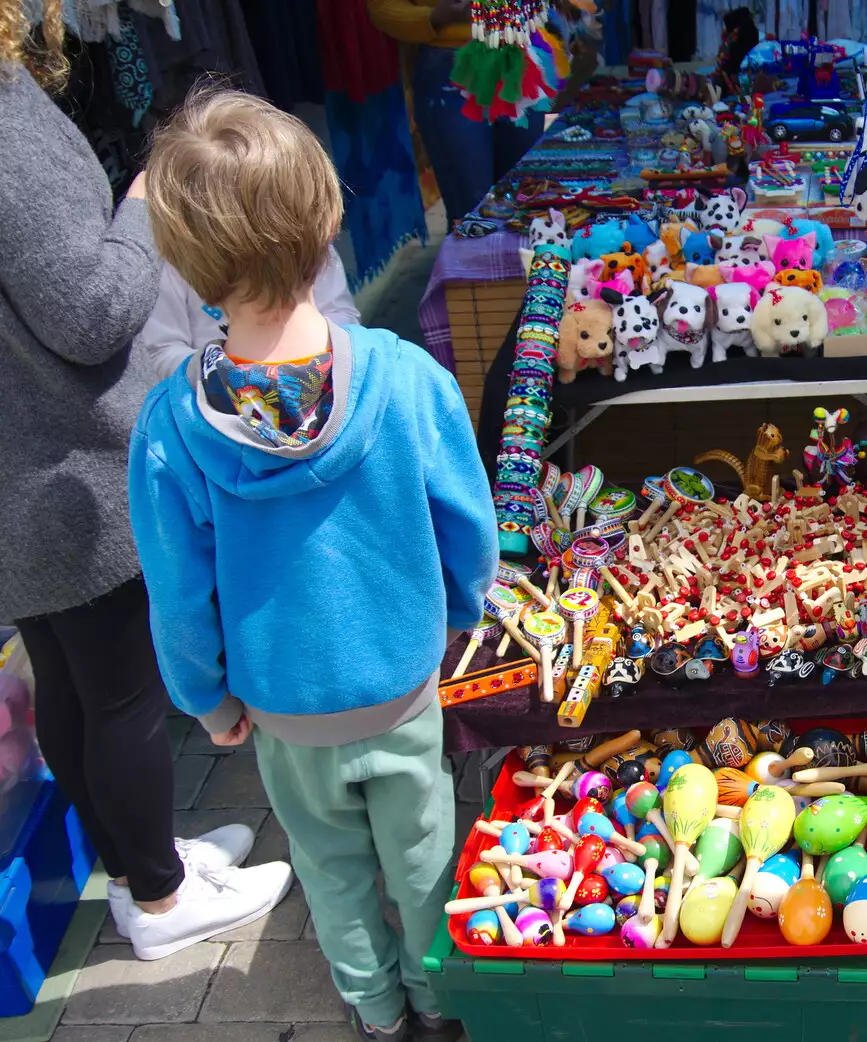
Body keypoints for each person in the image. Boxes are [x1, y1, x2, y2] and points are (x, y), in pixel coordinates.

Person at [130, 89, 498, 1041]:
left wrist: (208, 701)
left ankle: (374, 1013)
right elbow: (467, 521)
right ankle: (439, 1001)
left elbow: (178, 594)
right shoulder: (406, 378)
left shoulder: (172, 426)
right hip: (402, 684)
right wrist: (462, 611)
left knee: (329, 870)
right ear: (324, 218)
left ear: (183, 257)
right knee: (423, 860)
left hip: (282, 709)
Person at [0, 2, 290, 961]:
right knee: (116, 691)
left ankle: (138, 865)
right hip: (61, 463)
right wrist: (135, 217)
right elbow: (87, 310)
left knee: (70, 682)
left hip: (22, 466)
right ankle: (161, 904)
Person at [366, 0, 544, 222]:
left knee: (526, 199)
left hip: (520, 58)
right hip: (449, 70)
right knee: (472, 209)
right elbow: (382, 8)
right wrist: (436, 17)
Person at [137, 248, 361, 381]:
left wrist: (310, 357)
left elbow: (341, 313)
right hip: (220, 411)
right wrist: (227, 376)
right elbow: (161, 350)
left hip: (324, 374)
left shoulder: (304, 234)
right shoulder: (171, 261)